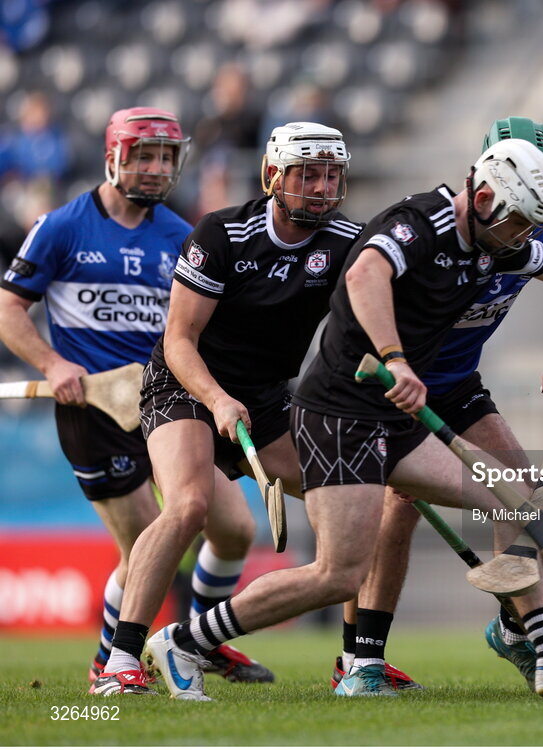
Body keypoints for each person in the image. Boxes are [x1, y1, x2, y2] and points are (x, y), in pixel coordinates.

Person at [143, 138, 543, 701]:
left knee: (515, 499)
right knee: (338, 574)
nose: (523, 239)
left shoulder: (495, 238)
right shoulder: (420, 220)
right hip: (343, 414)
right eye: (519, 223)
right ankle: (185, 641)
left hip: (392, 420)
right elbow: (363, 277)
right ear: (486, 195)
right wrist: (396, 360)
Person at [329, 117, 543, 693]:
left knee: (523, 496)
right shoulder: (443, 226)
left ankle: (520, 630)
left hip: (457, 384)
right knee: (397, 507)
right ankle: (360, 662)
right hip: (396, 384)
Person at [0, 107, 272, 690]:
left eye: (166, 158)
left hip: (164, 404)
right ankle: (109, 667)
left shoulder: (182, 235)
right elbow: (7, 309)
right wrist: (53, 361)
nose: (154, 169)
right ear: (114, 157)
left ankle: (197, 641)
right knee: (147, 541)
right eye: (143, 156)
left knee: (234, 530)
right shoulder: (63, 226)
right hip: (94, 411)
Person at [95, 121, 363, 698]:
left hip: (266, 400)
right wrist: (216, 399)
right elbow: (179, 340)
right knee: (188, 506)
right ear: (273, 176)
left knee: (357, 492)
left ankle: (360, 663)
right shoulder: (222, 234)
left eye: (332, 175)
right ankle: (118, 662)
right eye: (308, 174)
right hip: (185, 388)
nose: (321, 187)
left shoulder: (347, 242)